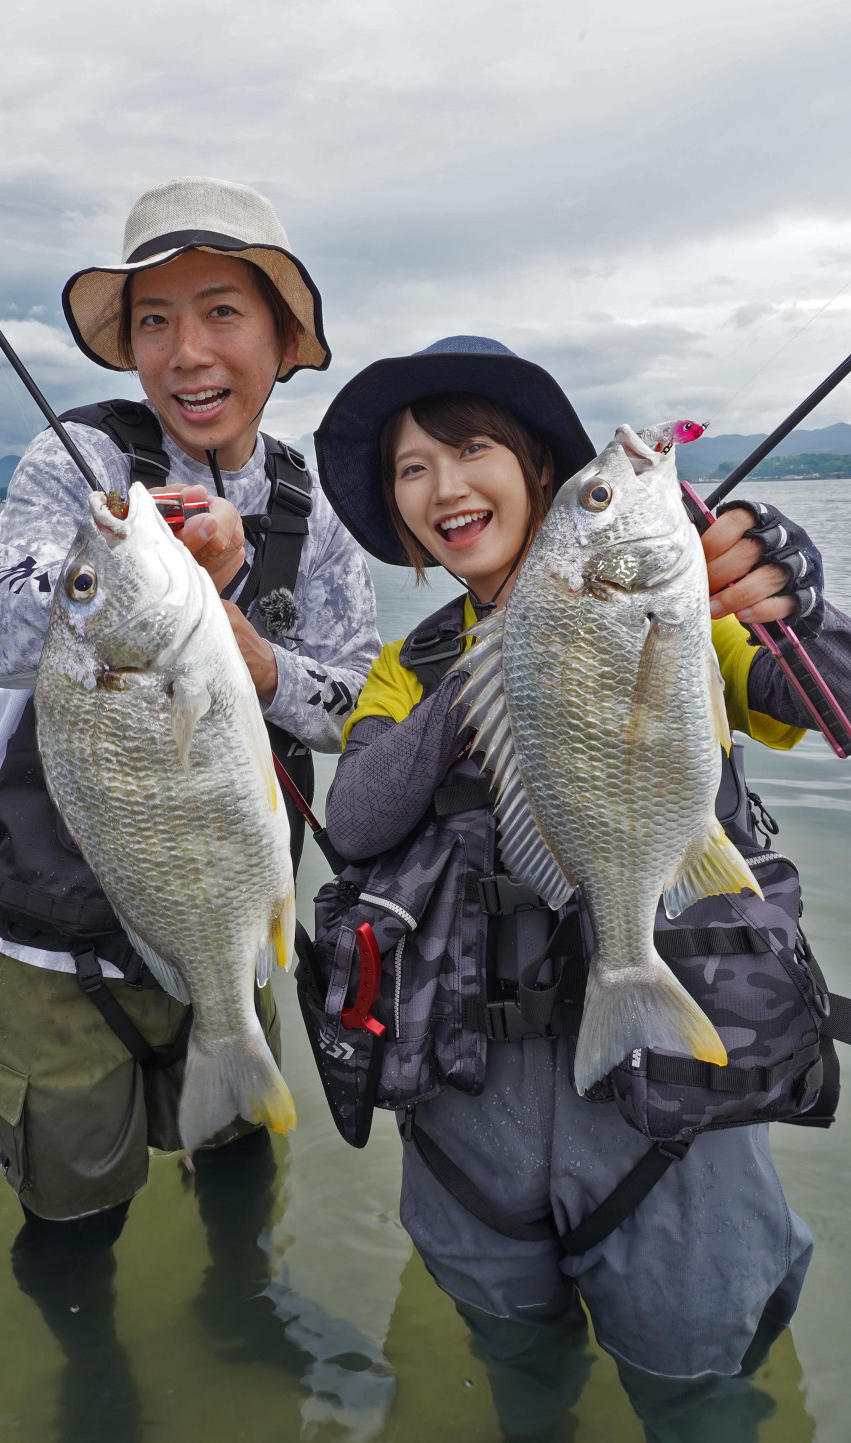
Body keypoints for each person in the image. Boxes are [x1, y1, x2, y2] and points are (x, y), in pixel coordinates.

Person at [313, 335, 851, 1441]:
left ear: (542, 474)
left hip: (669, 1127)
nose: (445, 486)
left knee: (703, 1394)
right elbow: (355, 819)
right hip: (468, 1129)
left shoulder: (690, 619)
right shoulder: (407, 668)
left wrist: (798, 607)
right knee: (519, 1375)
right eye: (412, 467)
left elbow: (834, 703)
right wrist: (495, 670)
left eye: (472, 448)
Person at [0, 177, 379, 1382]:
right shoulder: (78, 456)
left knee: (238, 1152)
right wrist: (104, 564)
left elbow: (355, 708)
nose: (187, 352)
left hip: (223, 911)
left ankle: (244, 1310)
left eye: (223, 311)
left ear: (282, 340)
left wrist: (258, 660)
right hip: (48, 942)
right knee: (68, 1204)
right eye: (153, 320)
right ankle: (95, 1379)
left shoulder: (313, 507)